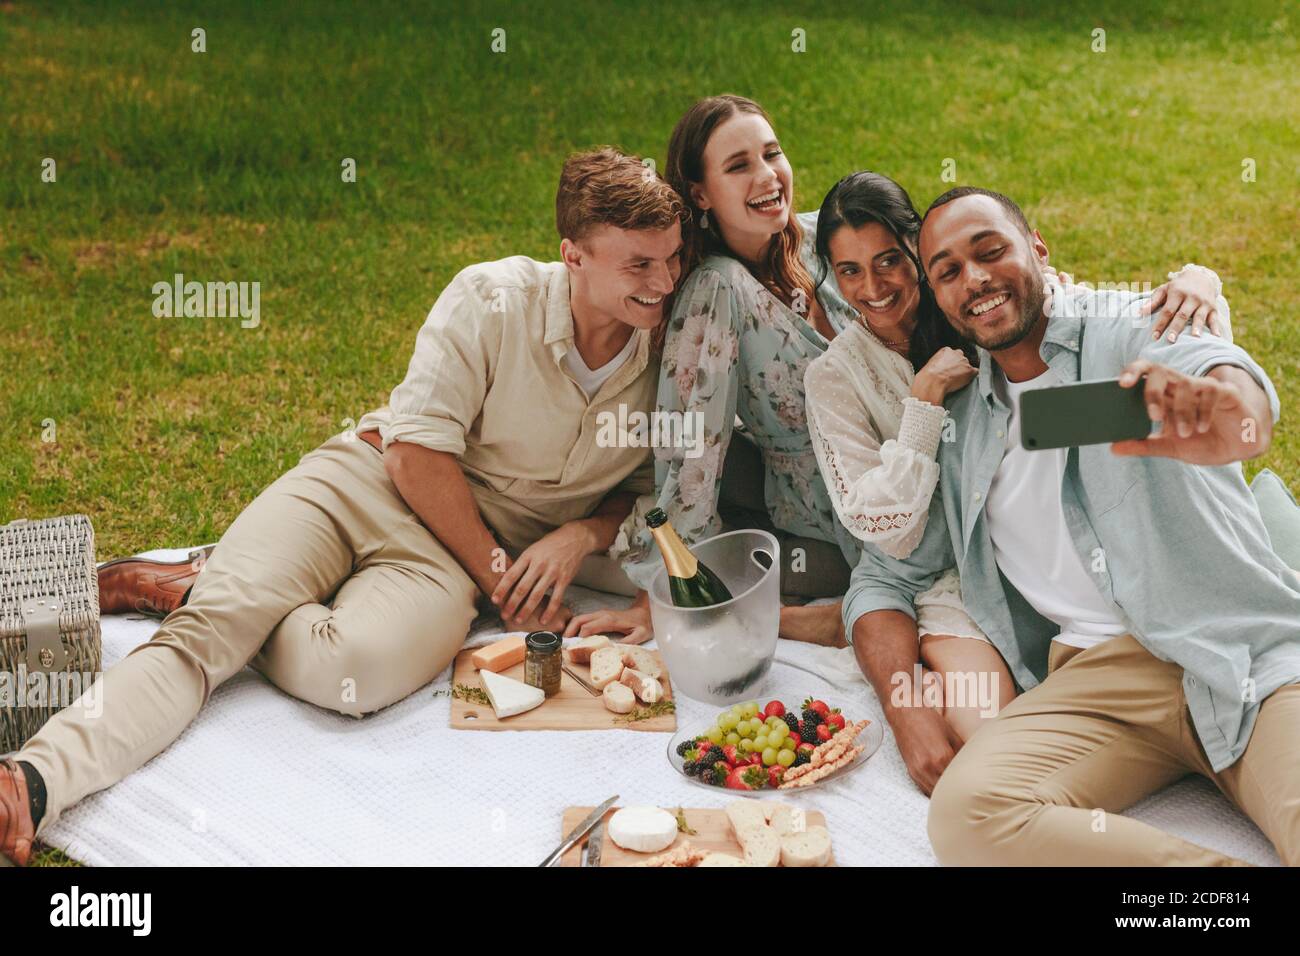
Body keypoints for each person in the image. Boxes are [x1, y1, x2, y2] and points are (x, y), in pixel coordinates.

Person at [0, 147, 686, 866]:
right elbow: (413, 456)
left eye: (670, 260)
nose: (663, 281)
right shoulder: (491, 299)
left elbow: (642, 490)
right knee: (205, 641)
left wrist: (580, 533)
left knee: (348, 674)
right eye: (639, 264)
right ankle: (33, 779)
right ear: (573, 257)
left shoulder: (675, 353)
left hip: (444, 559)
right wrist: (499, 577)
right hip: (366, 483)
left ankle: (213, 586)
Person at [844, 186, 1300, 865]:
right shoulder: (965, 423)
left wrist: (1230, 416)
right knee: (968, 816)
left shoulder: (1127, 327)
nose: (975, 279)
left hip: (1238, 650)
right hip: (1096, 682)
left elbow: (1231, 395)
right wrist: (905, 705)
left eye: (990, 251)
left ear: (1038, 250)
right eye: (947, 271)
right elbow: (887, 571)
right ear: (937, 296)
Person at [804, 171, 1227, 752]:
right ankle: (811, 623)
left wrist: (1198, 282)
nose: (873, 287)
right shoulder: (835, 375)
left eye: (890, 262)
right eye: (849, 271)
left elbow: (1081, 318)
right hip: (945, 577)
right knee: (987, 741)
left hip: (1033, 545)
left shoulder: (981, 315)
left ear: (917, 259)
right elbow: (891, 539)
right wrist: (924, 402)